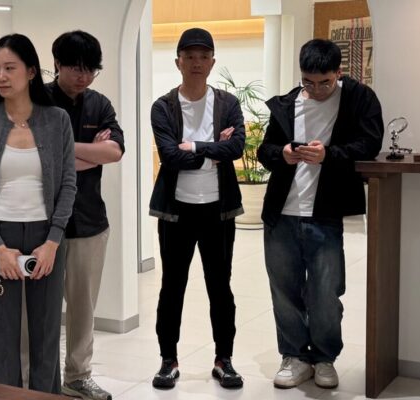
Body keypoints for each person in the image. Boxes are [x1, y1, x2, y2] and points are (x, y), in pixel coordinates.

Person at [257, 38, 382, 390]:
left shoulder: (358, 98)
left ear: (338, 72)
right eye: (308, 82)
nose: (316, 89)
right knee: (284, 291)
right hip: (282, 212)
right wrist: (282, 153)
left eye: (324, 82)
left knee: (325, 292)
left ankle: (324, 357)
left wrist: (329, 155)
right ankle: (295, 356)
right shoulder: (287, 104)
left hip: (326, 212)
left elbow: (370, 144)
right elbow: (265, 150)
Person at [0, 33, 77, 394]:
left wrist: (53, 242)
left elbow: (68, 186)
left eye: (9, 68)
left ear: (30, 72)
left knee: (46, 337)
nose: (1, 76)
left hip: (46, 238)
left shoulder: (57, 121)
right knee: (3, 338)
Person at [147, 27, 246, 390]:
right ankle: (168, 360)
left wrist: (194, 147)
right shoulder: (164, 106)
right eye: (189, 56)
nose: (196, 63)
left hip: (218, 209)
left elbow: (236, 148)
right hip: (177, 212)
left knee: (220, 286)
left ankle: (224, 359)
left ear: (212, 62)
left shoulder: (227, 103)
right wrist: (211, 150)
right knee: (172, 286)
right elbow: (169, 156)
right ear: (178, 62)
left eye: (204, 57)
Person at [46, 30, 123, 400]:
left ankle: (77, 377)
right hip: (43, 225)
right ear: (57, 64)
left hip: (90, 222)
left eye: (91, 69)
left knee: (82, 307)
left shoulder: (100, 104)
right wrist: (90, 152)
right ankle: (39, 378)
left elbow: (114, 152)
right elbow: (39, 157)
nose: (84, 76)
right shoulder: (38, 100)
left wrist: (67, 152)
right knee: (40, 309)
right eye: (76, 68)